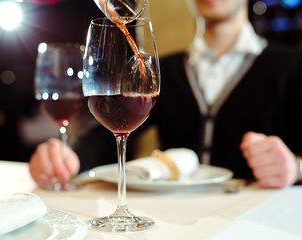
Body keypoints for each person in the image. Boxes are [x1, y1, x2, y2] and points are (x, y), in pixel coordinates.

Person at [29, 0, 302, 189]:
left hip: (256, 218)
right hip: (173, 220)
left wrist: (295, 168)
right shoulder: (164, 69)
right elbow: (111, 127)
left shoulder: (292, 65)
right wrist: (70, 157)